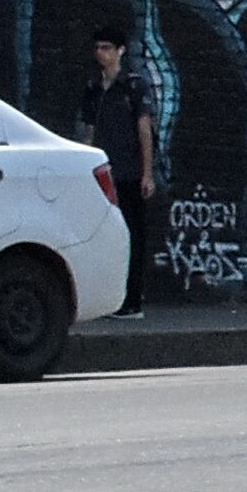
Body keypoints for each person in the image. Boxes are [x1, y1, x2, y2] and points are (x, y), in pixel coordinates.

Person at [83, 20, 158, 311]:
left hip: (129, 172)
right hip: (104, 173)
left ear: (120, 51)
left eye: (107, 48)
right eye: (98, 48)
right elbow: (89, 131)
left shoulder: (133, 86)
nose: (101, 53)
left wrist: (147, 173)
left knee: (132, 235)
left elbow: (144, 129)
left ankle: (132, 299)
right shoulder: (93, 88)